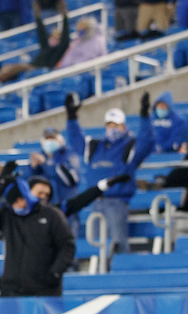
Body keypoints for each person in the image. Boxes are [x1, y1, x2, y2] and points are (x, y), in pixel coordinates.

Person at [64, 92, 155, 254]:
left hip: (117, 201)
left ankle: (122, 272)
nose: (113, 129)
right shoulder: (94, 147)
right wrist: (71, 117)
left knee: (117, 242)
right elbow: (76, 139)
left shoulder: (129, 146)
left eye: (116, 125)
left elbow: (147, 142)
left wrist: (144, 116)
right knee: (97, 246)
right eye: (110, 125)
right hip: (95, 200)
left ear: (124, 127)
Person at [0, 169, 76, 296]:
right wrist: (2, 182)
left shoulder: (52, 215)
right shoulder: (8, 216)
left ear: (27, 196)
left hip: (44, 289)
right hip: (11, 289)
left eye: (19, 200)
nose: (17, 205)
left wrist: (55, 273)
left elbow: (67, 246)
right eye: (13, 202)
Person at [0, 3, 69, 83]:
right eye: (52, 35)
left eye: (56, 36)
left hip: (39, 70)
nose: (53, 37)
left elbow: (65, 40)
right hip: (32, 66)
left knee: (15, 67)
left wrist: (64, 16)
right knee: (10, 66)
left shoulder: (59, 51)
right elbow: (41, 34)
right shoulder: (47, 48)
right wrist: (37, 16)